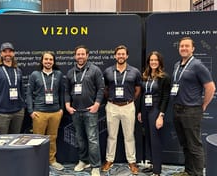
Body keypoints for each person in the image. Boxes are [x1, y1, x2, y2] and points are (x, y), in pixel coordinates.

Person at [171, 37, 216, 176]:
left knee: (194, 146)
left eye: (187, 46)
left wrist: (203, 105)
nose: (183, 48)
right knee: (185, 144)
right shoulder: (177, 65)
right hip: (177, 109)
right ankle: (188, 171)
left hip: (191, 111)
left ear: (193, 48)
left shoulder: (198, 65)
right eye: (181, 46)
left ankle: (197, 173)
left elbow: (211, 87)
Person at [65, 45, 105, 176]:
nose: (80, 56)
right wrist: (67, 105)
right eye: (78, 54)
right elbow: (66, 91)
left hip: (90, 111)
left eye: (83, 54)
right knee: (80, 139)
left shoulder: (95, 70)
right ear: (75, 56)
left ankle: (95, 165)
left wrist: (97, 105)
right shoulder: (71, 72)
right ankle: (83, 160)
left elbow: (101, 89)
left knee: (93, 139)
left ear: (87, 55)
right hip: (75, 111)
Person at [101, 45, 141, 175]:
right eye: (119, 54)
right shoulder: (108, 71)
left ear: (127, 56)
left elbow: (138, 89)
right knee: (112, 136)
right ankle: (109, 160)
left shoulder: (134, 71)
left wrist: (129, 100)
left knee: (129, 136)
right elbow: (105, 89)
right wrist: (112, 100)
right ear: (115, 56)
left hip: (128, 106)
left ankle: (132, 161)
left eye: (123, 54)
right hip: (112, 106)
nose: (121, 56)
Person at [26, 52, 64, 170]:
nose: (48, 61)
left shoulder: (58, 74)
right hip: (39, 113)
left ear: (53, 62)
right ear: (42, 61)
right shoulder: (35, 74)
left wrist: (61, 109)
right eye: (46, 59)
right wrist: (31, 111)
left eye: (51, 60)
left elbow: (62, 93)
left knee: (52, 138)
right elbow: (29, 93)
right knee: (38, 139)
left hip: (55, 112)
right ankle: (37, 162)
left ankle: (52, 160)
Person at [137, 51, 171, 176]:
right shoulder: (145, 76)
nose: (153, 62)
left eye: (156, 60)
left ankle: (157, 171)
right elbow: (142, 95)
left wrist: (161, 115)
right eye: (151, 60)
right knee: (149, 139)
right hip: (145, 109)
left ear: (160, 62)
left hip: (156, 109)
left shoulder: (164, 77)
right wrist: (140, 111)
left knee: (155, 139)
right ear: (148, 62)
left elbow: (166, 97)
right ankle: (152, 165)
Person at [0, 42, 25, 134]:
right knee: (2, 142)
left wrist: (23, 107)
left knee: (15, 141)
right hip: (2, 113)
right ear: (1, 54)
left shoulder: (18, 70)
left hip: (18, 112)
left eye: (10, 51)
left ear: (13, 53)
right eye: (5, 51)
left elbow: (22, 90)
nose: (8, 54)